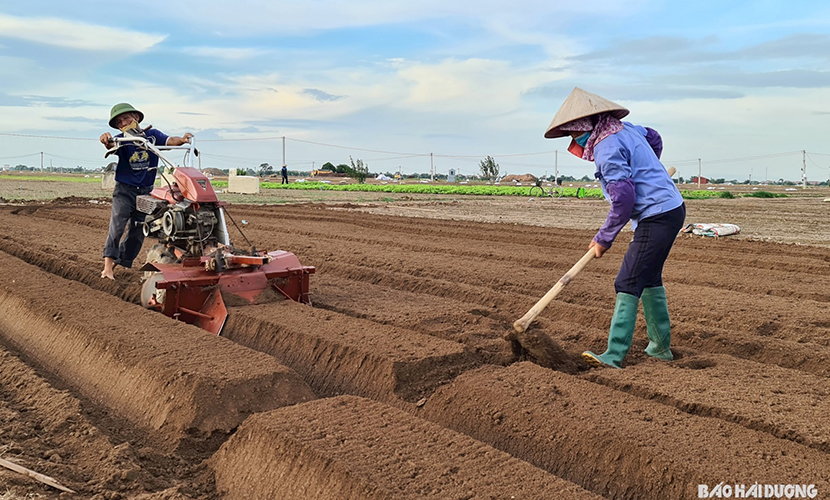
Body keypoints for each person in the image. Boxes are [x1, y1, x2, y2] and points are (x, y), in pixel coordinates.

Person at [544, 87, 686, 368]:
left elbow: (623, 200)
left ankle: (613, 355)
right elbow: (653, 136)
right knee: (648, 277)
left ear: (585, 125)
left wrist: (603, 238)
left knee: (628, 281)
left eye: (575, 133)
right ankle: (660, 348)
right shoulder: (626, 129)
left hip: (656, 215)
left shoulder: (606, 147)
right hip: (670, 210)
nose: (575, 139)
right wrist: (648, 167)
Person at [99, 103, 193, 280]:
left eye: (126, 118)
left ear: (136, 117)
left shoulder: (152, 136)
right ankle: (107, 268)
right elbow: (110, 145)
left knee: (138, 230)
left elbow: (169, 141)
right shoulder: (121, 139)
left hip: (145, 192)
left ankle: (125, 262)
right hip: (124, 191)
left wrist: (182, 139)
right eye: (119, 122)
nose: (123, 123)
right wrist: (106, 140)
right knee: (117, 226)